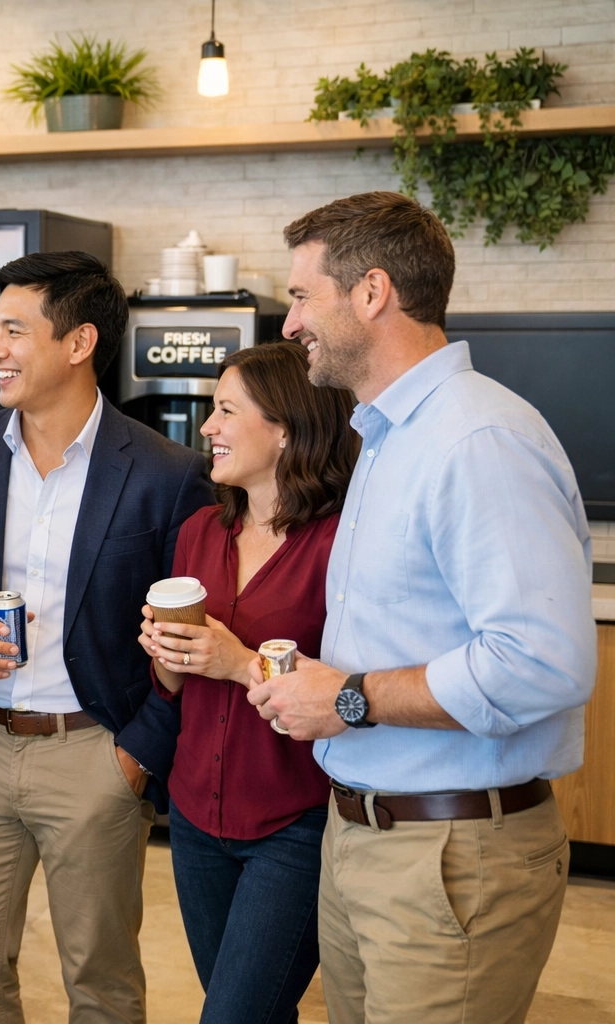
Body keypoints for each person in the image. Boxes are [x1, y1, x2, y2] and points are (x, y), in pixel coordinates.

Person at [249, 192, 596, 1024]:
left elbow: (541, 663)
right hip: (367, 841)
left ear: (371, 293)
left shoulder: (475, 439)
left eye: (302, 296)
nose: (289, 324)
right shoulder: (388, 433)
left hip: (452, 855)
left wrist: (349, 696)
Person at [0, 250, 214, 1023]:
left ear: (79, 343)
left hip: (96, 754)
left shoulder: (165, 471)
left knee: (102, 981)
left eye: (14, 330)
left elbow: (188, 629)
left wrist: (138, 752)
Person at [135, 342, 357, 1024]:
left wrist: (239, 661)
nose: (207, 428)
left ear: (286, 426)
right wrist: (166, 654)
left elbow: (352, 688)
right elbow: (173, 682)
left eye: (226, 410)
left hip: (294, 823)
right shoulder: (202, 529)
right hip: (195, 819)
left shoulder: (342, 542)